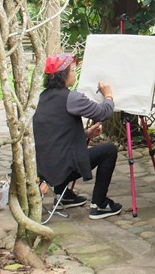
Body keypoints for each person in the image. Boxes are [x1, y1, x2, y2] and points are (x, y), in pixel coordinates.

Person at [32, 53, 123, 219]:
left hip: (44, 168)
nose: (75, 73)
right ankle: (99, 204)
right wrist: (108, 95)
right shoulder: (71, 98)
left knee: (65, 153)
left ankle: (65, 195)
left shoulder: (42, 97)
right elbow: (103, 113)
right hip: (62, 169)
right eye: (73, 70)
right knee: (109, 150)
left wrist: (86, 133)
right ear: (64, 75)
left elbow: (56, 132)